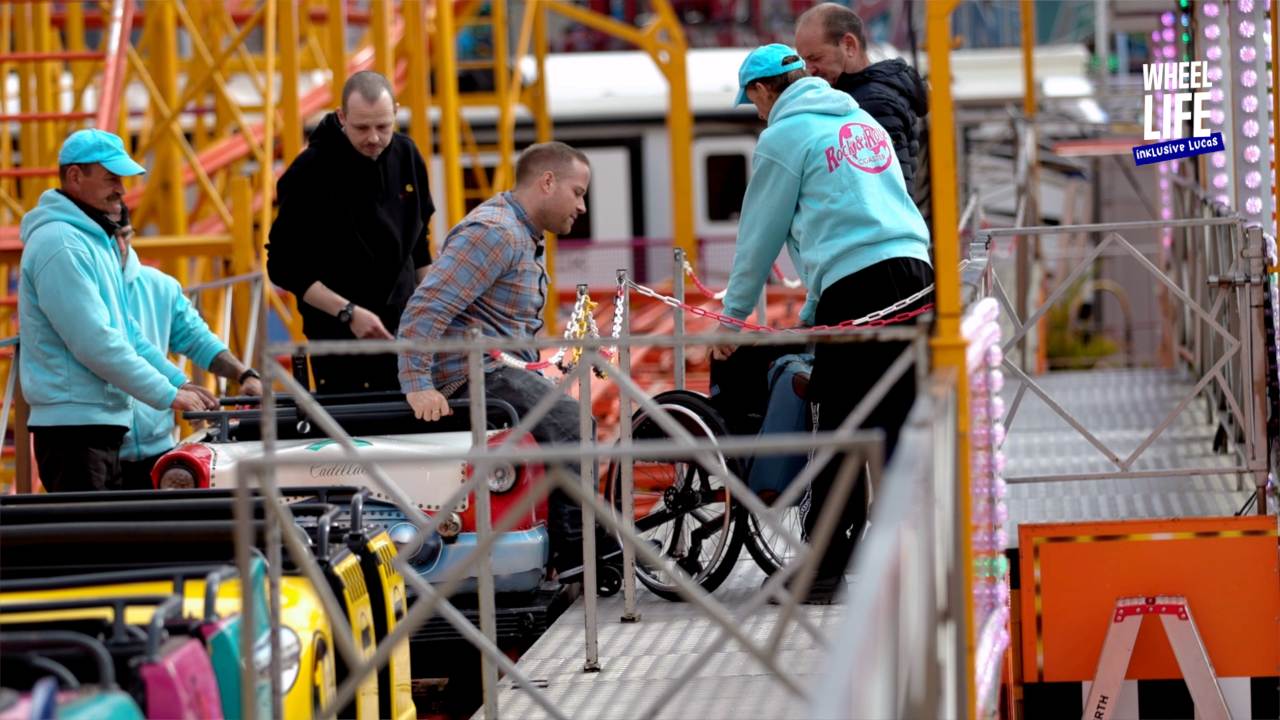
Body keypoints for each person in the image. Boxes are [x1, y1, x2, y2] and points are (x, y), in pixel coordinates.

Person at [718, 44, 933, 603]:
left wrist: (732, 319)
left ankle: (824, 570)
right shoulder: (859, 121)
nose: (756, 113)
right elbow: (867, 208)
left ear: (765, 91)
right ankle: (912, 560)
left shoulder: (783, 137)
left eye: (754, 103)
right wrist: (819, 307)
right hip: (916, 275)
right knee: (900, 421)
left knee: (840, 425)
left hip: (860, 286)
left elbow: (758, 236)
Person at [397, 141, 619, 583]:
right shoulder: (494, 233)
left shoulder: (520, 235)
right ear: (547, 182)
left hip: (498, 366)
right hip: (470, 372)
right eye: (577, 193)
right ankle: (578, 551)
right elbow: (424, 309)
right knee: (570, 423)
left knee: (566, 417)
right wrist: (417, 383)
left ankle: (583, 539)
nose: (582, 205)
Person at [18, 129, 218, 493]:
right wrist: (168, 393)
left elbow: (127, 333)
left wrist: (177, 383)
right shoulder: (61, 244)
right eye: (111, 178)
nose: (122, 190)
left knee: (106, 543)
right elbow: (95, 341)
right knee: (90, 544)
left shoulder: (92, 241)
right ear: (75, 176)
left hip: (95, 425)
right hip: (74, 432)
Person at [267, 70, 434, 395]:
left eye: (383, 126)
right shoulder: (309, 171)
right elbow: (283, 264)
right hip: (338, 336)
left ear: (396, 112)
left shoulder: (407, 155)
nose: (373, 138)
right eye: (361, 127)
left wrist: (436, 307)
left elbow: (420, 245)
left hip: (405, 327)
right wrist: (348, 312)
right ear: (342, 117)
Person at [115, 218, 264, 489]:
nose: (121, 246)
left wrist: (245, 374)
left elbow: (197, 338)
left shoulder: (160, 286)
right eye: (111, 238)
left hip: (157, 447)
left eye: (125, 235)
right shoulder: (85, 293)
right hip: (100, 447)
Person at [794, 3, 931, 225]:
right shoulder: (869, 95)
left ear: (849, 45)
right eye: (803, 61)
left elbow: (886, 187)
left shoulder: (869, 103)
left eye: (816, 58)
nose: (809, 70)